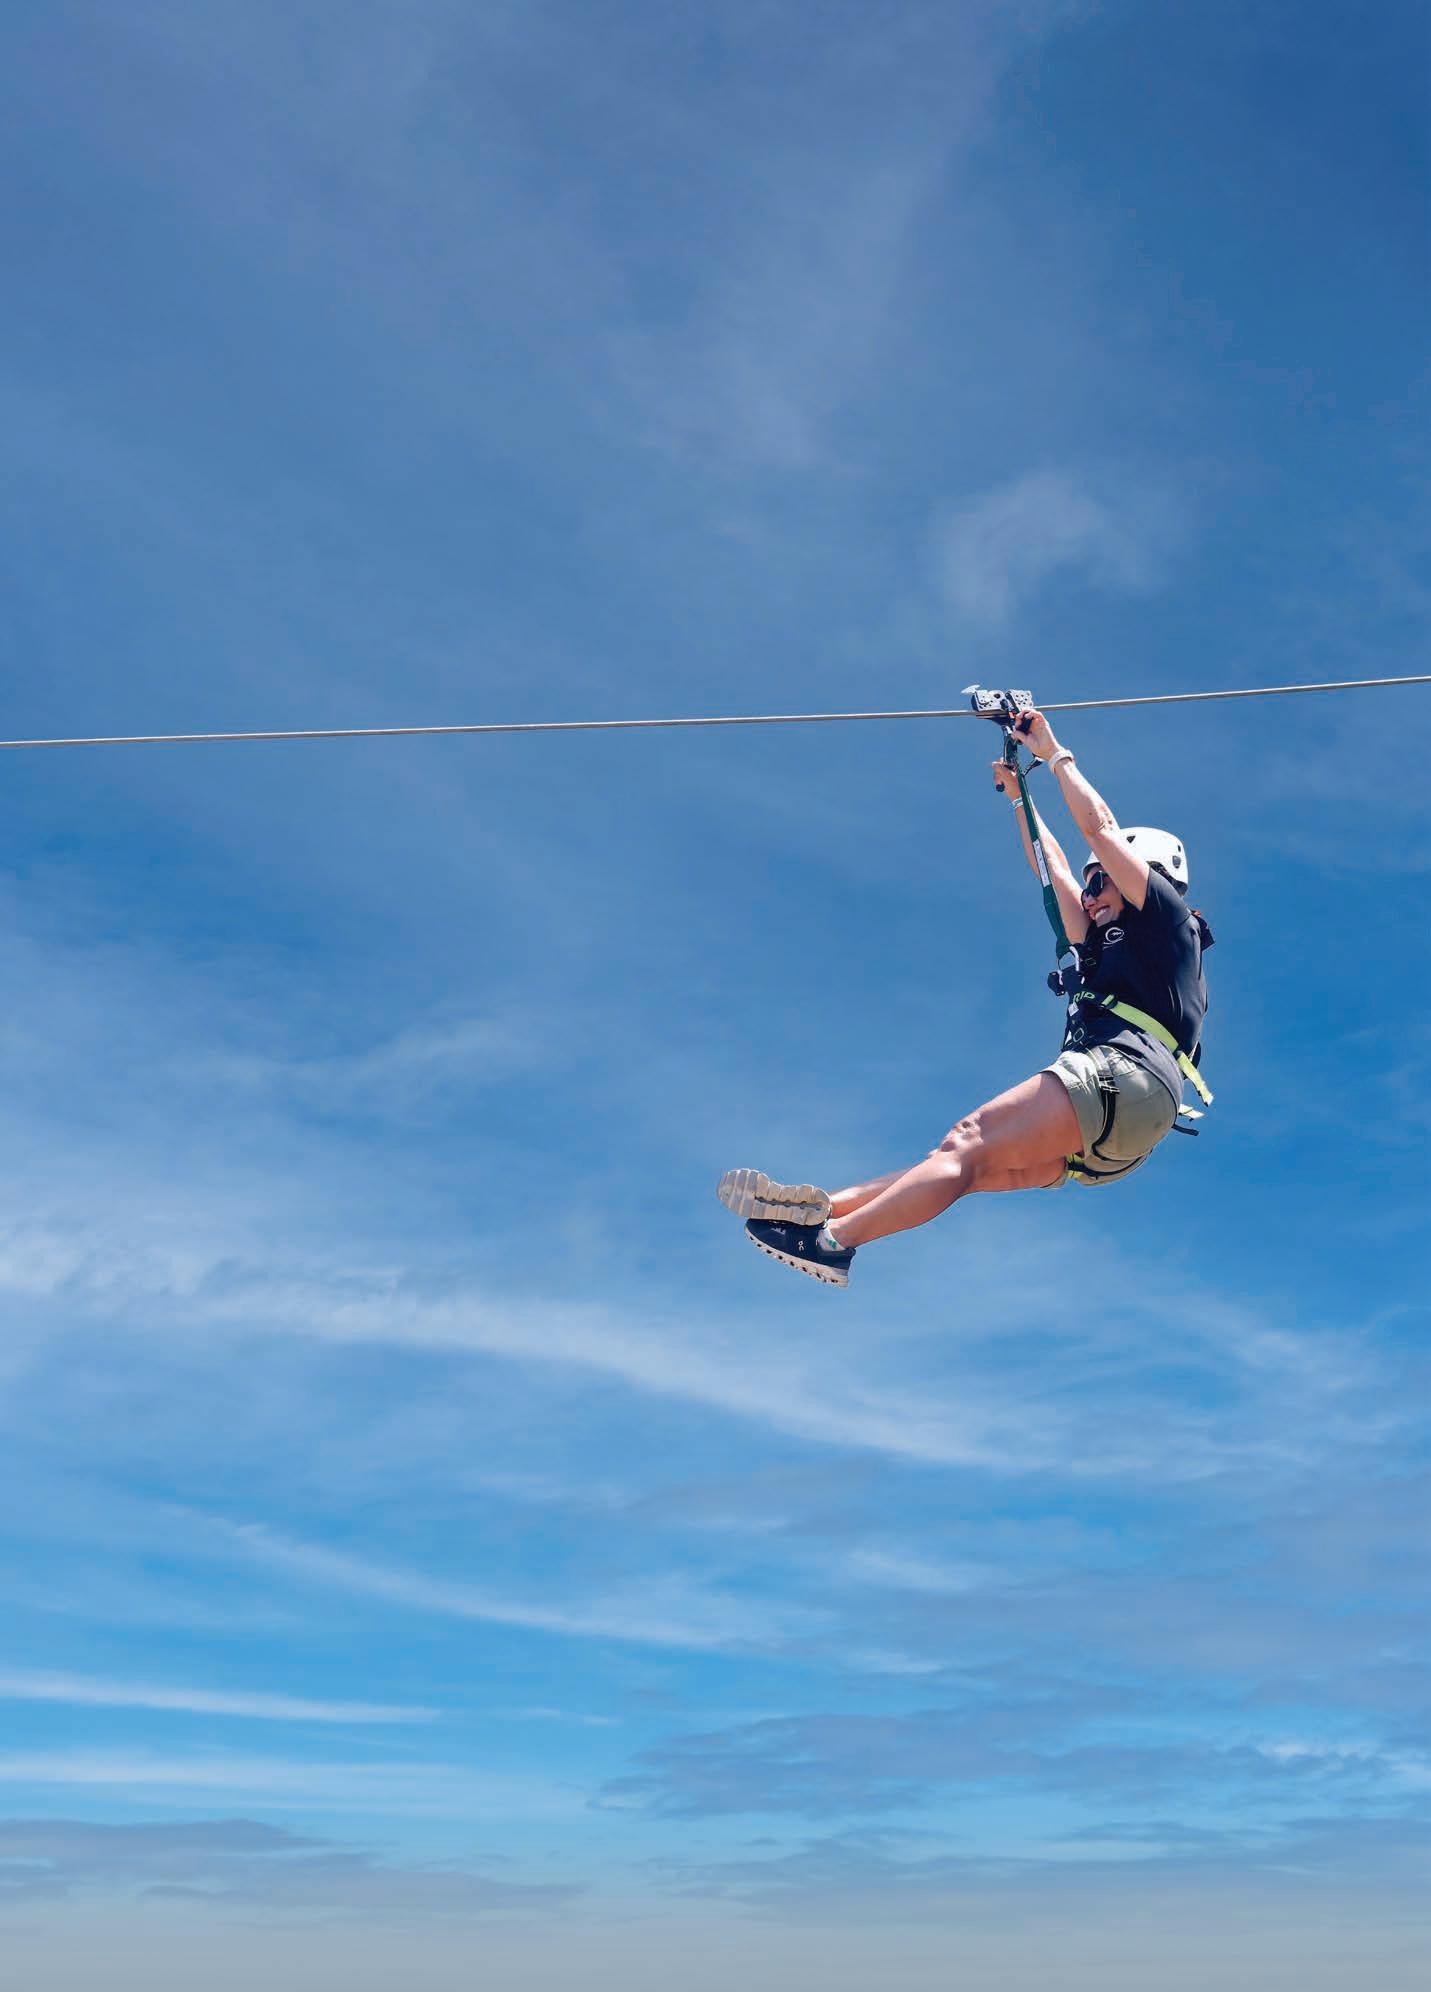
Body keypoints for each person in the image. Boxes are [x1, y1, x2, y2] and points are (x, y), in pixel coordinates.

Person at [718, 707, 1213, 1286]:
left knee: (966, 1140)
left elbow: (1099, 829)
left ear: (1143, 874)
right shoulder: (1110, 948)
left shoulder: (1166, 919)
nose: (1091, 892)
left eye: (1102, 878)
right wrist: (1019, 794)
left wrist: (1054, 753)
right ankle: (825, 1211)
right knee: (962, 1165)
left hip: (1124, 1078)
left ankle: (832, 1243)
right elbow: (1053, 869)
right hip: (1119, 1137)